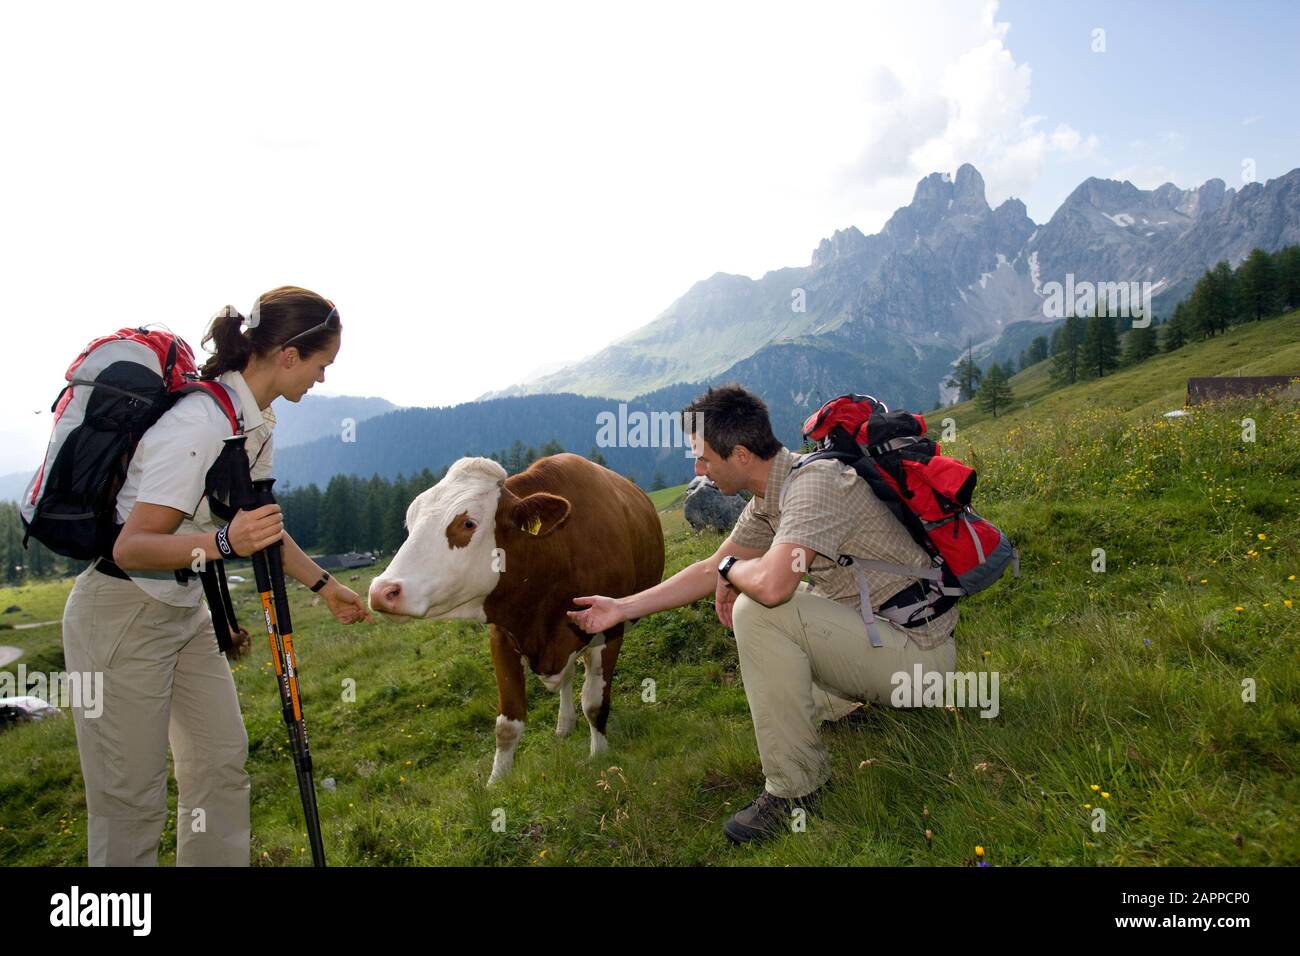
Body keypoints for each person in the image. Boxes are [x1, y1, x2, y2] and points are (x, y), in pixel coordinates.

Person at [60, 286, 373, 866]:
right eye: (322, 365)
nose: (323, 380)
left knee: (220, 764)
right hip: (121, 616)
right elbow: (133, 547)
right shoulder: (200, 423)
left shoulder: (253, 421)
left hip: (183, 611)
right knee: (132, 799)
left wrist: (325, 587)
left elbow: (259, 525)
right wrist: (224, 542)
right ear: (288, 355)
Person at [567, 384, 958, 844]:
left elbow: (769, 584)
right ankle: (844, 708)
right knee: (777, 596)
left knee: (761, 608)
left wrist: (735, 573)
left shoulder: (815, 485)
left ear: (740, 454)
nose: (697, 469)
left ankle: (797, 789)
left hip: (921, 663)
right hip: (886, 637)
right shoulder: (771, 495)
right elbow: (710, 567)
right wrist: (621, 608)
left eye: (704, 458)